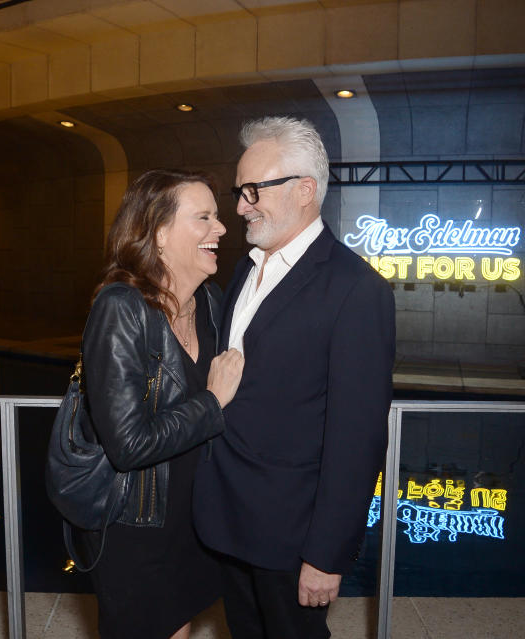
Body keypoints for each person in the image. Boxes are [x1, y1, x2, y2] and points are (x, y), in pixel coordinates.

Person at [193, 116, 395, 639]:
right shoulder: (242, 269)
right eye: (240, 191)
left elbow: (358, 437)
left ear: (306, 190)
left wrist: (325, 555)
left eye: (254, 190)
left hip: (291, 539)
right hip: (225, 522)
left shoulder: (357, 290)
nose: (240, 206)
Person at [73, 168, 244, 639]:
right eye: (204, 217)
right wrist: (212, 402)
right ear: (159, 233)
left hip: (194, 519)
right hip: (135, 526)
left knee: (181, 628)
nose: (221, 229)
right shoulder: (120, 308)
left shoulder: (209, 302)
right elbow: (127, 444)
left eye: (218, 216)